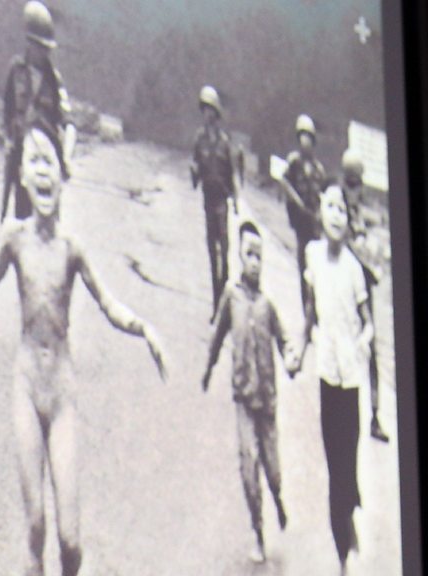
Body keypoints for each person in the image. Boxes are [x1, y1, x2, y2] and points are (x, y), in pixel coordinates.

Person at [0, 124, 167, 576]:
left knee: (70, 540)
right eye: (33, 162)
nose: (42, 170)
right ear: (24, 180)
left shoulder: (73, 248)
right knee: (36, 526)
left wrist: (144, 328)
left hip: (63, 393)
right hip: (27, 387)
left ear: (61, 175)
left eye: (49, 161)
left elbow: (109, 304)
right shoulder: (14, 239)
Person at [201, 221, 299, 564]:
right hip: (243, 397)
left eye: (259, 256)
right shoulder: (232, 296)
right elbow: (217, 335)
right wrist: (208, 369)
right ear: (240, 256)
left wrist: (292, 358)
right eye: (249, 255)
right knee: (248, 466)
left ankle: (278, 498)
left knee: (273, 469)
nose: (254, 262)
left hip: (267, 400)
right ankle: (258, 531)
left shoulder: (267, 305)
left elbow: (285, 340)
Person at [297, 185, 373, 570]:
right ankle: (344, 556)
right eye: (330, 206)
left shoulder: (354, 269)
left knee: (348, 464)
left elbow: (369, 323)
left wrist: (364, 341)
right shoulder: (311, 254)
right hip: (327, 376)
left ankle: (348, 512)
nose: (336, 214)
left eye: (342, 208)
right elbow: (311, 308)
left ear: (348, 219)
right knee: (335, 471)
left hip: (352, 381)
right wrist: (300, 348)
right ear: (320, 213)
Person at [1, 0, 77, 221]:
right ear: (30, 43)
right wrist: (7, 139)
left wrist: (66, 157)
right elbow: (7, 111)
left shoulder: (55, 80)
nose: (44, 52)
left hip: (47, 157)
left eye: (47, 48)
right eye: (40, 46)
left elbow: (68, 123)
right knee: (22, 220)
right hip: (23, 158)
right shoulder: (16, 71)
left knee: (47, 219)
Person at [339, 149, 389, 443]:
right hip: (347, 288)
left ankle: (374, 415)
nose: (357, 189)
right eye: (355, 182)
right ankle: (352, 416)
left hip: (363, 288)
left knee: (371, 351)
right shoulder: (339, 205)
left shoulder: (359, 206)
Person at [190, 85, 239, 320]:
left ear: (216, 113)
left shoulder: (224, 141)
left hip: (222, 202)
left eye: (211, 109)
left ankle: (224, 304)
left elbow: (233, 173)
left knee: (225, 254)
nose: (207, 114)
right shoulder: (199, 140)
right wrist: (193, 171)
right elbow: (195, 176)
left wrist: (236, 199)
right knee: (212, 255)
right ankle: (216, 306)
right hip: (208, 202)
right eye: (204, 109)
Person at [274, 113, 326, 308]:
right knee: (303, 265)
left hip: (314, 222)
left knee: (316, 267)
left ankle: (315, 305)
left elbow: (322, 194)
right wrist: (296, 202)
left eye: (308, 137)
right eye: (302, 136)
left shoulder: (318, 169)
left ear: (313, 140)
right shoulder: (294, 161)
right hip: (301, 222)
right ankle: (306, 306)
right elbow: (284, 181)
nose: (305, 141)